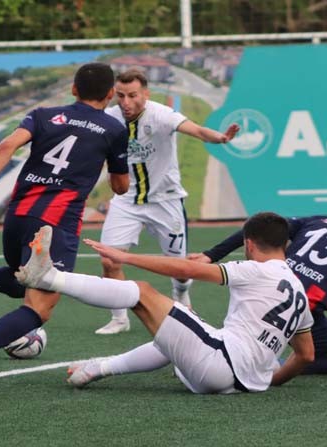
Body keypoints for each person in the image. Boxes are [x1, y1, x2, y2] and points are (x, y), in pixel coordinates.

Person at [66, 189, 327, 387]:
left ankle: (54, 280)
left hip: (271, 293)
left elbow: (257, 228)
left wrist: (209, 254)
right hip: (302, 307)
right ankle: (266, 364)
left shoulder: (318, 220)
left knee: (169, 312)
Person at [0, 62, 130, 381]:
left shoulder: (43, 115)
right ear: (111, 95)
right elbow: (121, 186)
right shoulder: (114, 130)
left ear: (73, 89)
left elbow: (7, 145)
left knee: (22, 280)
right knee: (39, 308)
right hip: (55, 224)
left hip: (17, 215)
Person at [15, 212, 315, 394]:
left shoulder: (256, 269)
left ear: (248, 243)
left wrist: (125, 257)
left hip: (219, 362)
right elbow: (306, 355)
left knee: (143, 293)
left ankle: (49, 278)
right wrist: (269, 381)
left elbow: (187, 270)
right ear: (284, 244)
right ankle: (98, 368)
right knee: (178, 322)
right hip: (237, 382)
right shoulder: (299, 290)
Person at [93, 68, 240, 335]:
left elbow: (194, 129)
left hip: (166, 201)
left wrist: (219, 138)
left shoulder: (161, 114)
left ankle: (181, 295)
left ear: (145, 94)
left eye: (133, 95)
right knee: (109, 261)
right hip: (126, 202)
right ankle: (119, 317)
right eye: (121, 96)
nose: (126, 102)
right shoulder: (109, 118)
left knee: (181, 270)